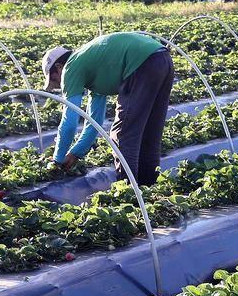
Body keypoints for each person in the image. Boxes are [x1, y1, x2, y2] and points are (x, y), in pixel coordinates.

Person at [41, 32, 174, 185]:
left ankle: (129, 192)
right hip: (162, 58)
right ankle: (148, 187)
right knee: (150, 132)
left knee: (123, 134)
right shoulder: (91, 67)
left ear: (59, 67)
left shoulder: (71, 68)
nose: (58, 85)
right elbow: (94, 122)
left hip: (141, 63)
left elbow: (70, 122)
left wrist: (57, 159)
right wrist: (75, 153)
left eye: (54, 79)